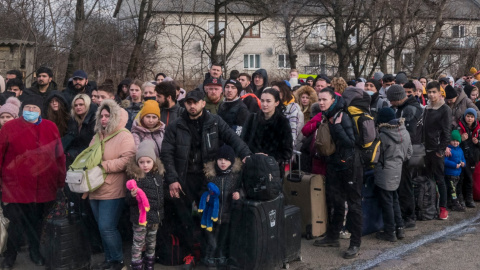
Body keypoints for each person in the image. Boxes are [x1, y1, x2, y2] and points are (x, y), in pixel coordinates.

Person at [161, 90, 251, 269]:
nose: (192, 106)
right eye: (188, 103)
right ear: (184, 104)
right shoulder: (176, 125)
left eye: (195, 102)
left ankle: (209, 253)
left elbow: (233, 139)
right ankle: (189, 254)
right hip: (183, 177)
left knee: (209, 216)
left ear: (203, 103)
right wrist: (172, 179)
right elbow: (167, 154)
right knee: (184, 218)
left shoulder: (215, 122)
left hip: (208, 177)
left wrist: (247, 155)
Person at [0, 95, 66, 268]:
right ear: (22, 109)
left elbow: (59, 155)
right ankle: (10, 256)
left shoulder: (50, 127)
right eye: (28, 107)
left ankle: (35, 252)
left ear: (40, 110)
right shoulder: (10, 127)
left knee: (37, 224)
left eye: (34, 108)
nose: (31, 111)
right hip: (15, 186)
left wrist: (60, 181)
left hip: (43, 186)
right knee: (15, 223)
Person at [312, 88, 362, 260]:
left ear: (333, 99)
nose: (321, 102)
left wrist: (337, 126)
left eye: (324, 99)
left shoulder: (342, 116)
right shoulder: (328, 115)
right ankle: (333, 236)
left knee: (354, 204)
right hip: (334, 164)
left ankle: (355, 243)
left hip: (349, 165)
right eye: (319, 99)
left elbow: (351, 143)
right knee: (336, 201)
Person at [89, 99, 136, 270]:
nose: (103, 119)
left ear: (114, 117)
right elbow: (90, 156)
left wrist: (104, 166)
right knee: (102, 229)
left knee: (107, 227)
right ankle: (109, 260)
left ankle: (117, 261)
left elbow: (128, 160)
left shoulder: (124, 135)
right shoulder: (97, 136)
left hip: (113, 188)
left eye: (107, 116)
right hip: (94, 187)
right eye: (101, 115)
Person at [386, 84, 423, 229]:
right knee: (404, 184)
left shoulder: (409, 110)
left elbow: (408, 134)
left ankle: (409, 217)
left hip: (406, 153)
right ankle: (406, 214)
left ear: (396, 98)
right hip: (405, 152)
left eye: (391, 100)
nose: (390, 103)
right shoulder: (405, 108)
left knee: (405, 184)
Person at [125, 140, 165, 270]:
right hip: (140, 219)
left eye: (148, 162)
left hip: (154, 218)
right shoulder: (135, 178)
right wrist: (132, 196)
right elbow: (128, 201)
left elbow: (160, 197)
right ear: (137, 163)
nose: (145, 165)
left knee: (151, 243)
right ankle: (136, 265)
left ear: (153, 162)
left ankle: (149, 265)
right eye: (141, 162)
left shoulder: (158, 176)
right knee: (138, 243)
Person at [374, 108, 412, 242]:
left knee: (387, 202)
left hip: (384, 171)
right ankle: (400, 228)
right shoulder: (405, 132)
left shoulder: (382, 135)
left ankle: (390, 232)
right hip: (398, 169)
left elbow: (375, 157)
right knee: (394, 198)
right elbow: (409, 153)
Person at [202, 144, 243, 268]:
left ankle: (220, 256)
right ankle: (209, 257)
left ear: (231, 161)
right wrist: (206, 196)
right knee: (211, 239)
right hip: (211, 214)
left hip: (226, 214)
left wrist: (239, 194)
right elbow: (202, 189)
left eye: (226, 160)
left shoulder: (235, 176)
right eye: (220, 160)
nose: (223, 162)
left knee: (223, 238)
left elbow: (242, 188)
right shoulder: (211, 175)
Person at [241, 88, 293, 177]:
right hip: (251, 168)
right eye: (262, 100)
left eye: (268, 101)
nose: (264, 104)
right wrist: (249, 156)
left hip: (271, 171)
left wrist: (268, 157)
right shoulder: (252, 118)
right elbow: (243, 141)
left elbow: (287, 151)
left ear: (276, 103)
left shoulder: (282, 122)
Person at [424, 81, 452, 220]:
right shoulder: (427, 108)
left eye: (434, 92)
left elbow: (447, 132)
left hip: (436, 150)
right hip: (426, 149)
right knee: (428, 180)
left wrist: (440, 150)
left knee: (440, 179)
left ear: (440, 93)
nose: (431, 94)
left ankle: (443, 208)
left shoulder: (445, 109)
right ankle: (429, 206)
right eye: (429, 92)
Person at [63, 94, 98, 167]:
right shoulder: (73, 120)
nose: (78, 107)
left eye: (81, 104)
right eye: (75, 105)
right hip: (73, 157)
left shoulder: (94, 120)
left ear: (87, 105)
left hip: (88, 158)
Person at [457, 108, 480, 208]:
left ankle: (469, 198)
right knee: (461, 178)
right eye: (468, 116)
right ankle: (461, 198)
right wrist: (460, 139)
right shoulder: (459, 127)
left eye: (472, 117)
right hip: (461, 155)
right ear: (464, 117)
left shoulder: (478, 129)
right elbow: (453, 142)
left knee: (469, 178)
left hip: (472, 156)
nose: (469, 119)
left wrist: (477, 142)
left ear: (475, 118)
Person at [272, 81, 304, 148]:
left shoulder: (292, 108)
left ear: (284, 92)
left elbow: (293, 131)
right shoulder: (272, 106)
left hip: (283, 148)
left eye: (276, 91)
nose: (273, 94)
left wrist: (288, 149)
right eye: (272, 91)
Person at [444, 130, 467, 212]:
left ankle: (451, 203)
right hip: (450, 174)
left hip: (458, 174)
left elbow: (463, 159)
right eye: (453, 140)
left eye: (457, 141)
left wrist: (464, 163)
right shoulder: (449, 150)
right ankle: (455, 204)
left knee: (454, 189)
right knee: (452, 190)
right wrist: (454, 165)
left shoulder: (460, 150)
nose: (455, 142)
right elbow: (445, 161)